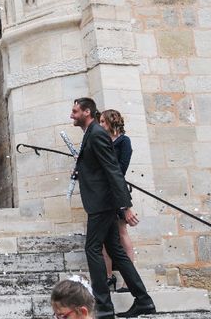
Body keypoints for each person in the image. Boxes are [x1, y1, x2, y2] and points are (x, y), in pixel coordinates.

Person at [70, 97, 155, 318]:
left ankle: (104, 308)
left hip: (102, 203)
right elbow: (98, 167)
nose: (72, 115)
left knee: (92, 249)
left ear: (87, 112)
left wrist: (125, 205)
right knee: (116, 250)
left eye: (75, 111)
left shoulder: (97, 133)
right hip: (101, 201)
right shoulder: (92, 133)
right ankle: (144, 301)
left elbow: (113, 170)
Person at [99, 109, 134, 293]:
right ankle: (108, 276)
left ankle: (129, 281)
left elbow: (121, 168)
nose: (101, 125)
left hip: (118, 191)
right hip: (104, 192)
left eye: (104, 122)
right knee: (105, 237)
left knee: (121, 233)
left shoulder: (124, 141)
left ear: (112, 122)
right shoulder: (104, 141)